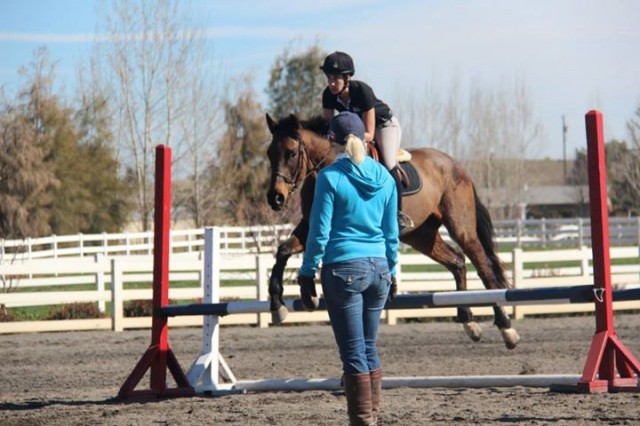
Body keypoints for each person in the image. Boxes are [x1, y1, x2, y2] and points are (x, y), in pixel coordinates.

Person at [297, 111, 399, 425]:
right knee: (368, 347)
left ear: (332, 140)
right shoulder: (385, 177)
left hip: (344, 270)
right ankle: (372, 418)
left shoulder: (330, 178)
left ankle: (363, 421)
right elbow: (391, 232)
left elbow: (319, 231)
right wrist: (392, 270)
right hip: (379, 270)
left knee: (353, 352)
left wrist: (307, 270)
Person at [320, 50, 414, 230]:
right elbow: (328, 127)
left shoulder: (361, 91)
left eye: (336, 78)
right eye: (328, 77)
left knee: (388, 161)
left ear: (347, 78)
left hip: (383, 126)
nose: (331, 83)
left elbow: (369, 134)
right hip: (354, 133)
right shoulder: (328, 95)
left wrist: (345, 139)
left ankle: (398, 214)